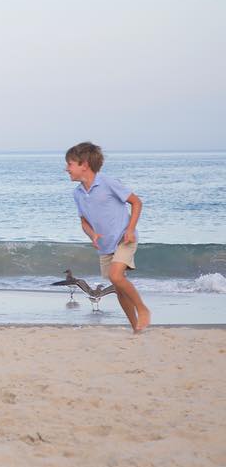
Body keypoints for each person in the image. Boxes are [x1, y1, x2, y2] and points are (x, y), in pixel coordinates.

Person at [65, 142, 150, 332]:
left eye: (70, 164)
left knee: (116, 276)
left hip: (124, 238)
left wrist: (130, 229)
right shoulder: (77, 193)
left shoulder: (107, 182)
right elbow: (84, 222)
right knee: (119, 288)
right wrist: (92, 234)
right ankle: (136, 327)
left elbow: (136, 202)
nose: (66, 169)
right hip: (104, 245)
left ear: (84, 164)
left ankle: (143, 309)